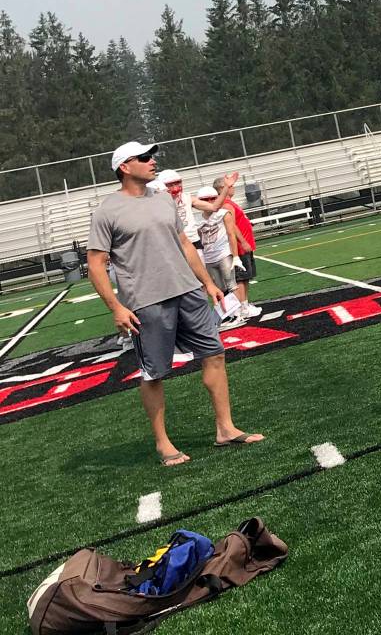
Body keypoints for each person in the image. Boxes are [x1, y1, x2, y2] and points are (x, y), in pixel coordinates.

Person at [86, 141, 264, 467]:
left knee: (215, 354)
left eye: (151, 155)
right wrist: (116, 307)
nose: (152, 161)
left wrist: (207, 283)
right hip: (146, 302)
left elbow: (184, 244)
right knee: (154, 372)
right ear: (124, 167)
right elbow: (96, 263)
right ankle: (163, 443)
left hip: (189, 292)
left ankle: (225, 428)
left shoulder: (164, 199)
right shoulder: (107, 210)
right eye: (144, 157)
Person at [194, 186, 244, 330]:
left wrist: (235, 256)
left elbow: (230, 234)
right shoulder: (197, 219)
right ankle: (228, 314)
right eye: (205, 199)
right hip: (208, 257)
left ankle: (238, 313)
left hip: (223, 253)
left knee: (231, 284)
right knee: (219, 288)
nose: (209, 202)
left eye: (212, 199)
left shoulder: (223, 213)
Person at [213, 175, 262, 319]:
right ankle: (242, 307)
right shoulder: (226, 204)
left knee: (245, 278)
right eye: (231, 186)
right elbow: (232, 226)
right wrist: (243, 242)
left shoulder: (229, 202)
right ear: (223, 188)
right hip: (239, 247)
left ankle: (245, 304)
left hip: (243, 245)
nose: (233, 188)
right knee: (240, 279)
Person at [157, 169, 237, 250]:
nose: (175, 188)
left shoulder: (187, 198)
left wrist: (226, 187)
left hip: (193, 241)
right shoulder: (158, 202)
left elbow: (214, 207)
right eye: (170, 185)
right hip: (174, 244)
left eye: (177, 183)